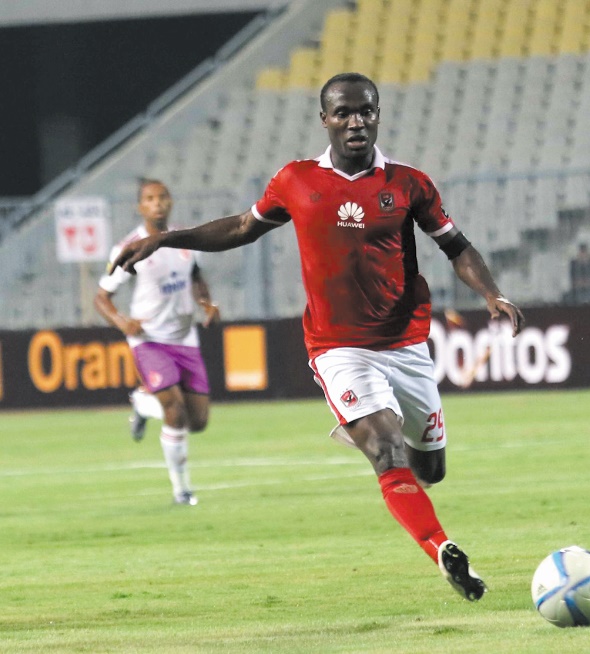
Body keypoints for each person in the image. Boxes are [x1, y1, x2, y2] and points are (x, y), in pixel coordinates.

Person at [111, 73, 525, 602]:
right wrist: (166, 238)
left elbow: (457, 246)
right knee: (386, 448)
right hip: (338, 347)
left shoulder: (409, 184)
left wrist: (491, 293)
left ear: (378, 114)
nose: (357, 121)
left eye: (366, 111)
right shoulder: (296, 180)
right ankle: (443, 548)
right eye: (345, 112)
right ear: (325, 118)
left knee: (431, 469)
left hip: (405, 343)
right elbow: (241, 228)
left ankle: (398, 466)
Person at [95, 179, 221, 506]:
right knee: (175, 411)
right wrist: (124, 322)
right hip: (149, 340)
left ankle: (141, 404)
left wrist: (206, 303)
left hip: (185, 337)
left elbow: (196, 277)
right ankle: (182, 491)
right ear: (140, 207)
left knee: (199, 422)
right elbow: (102, 298)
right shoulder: (130, 248)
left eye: (163, 197)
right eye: (150, 199)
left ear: (171, 201)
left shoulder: (185, 241)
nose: (158, 203)